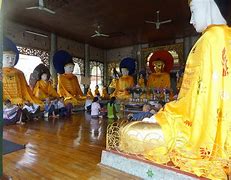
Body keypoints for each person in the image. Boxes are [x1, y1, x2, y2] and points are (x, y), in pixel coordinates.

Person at [117, 0, 231, 179]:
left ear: (209, 4)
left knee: (129, 132)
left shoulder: (211, 40)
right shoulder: (221, 37)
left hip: (197, 130)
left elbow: (201, 103)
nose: (191, 20)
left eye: (193, 11)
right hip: (200, 121)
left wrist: (165, 115)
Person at [2, 37, 43, 106]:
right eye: (7, 57)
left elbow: (26, 91)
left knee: (39, 105)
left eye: (13, 58)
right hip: (6, 104)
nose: (10, 60)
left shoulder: (19, 73)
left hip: (21, 102)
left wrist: (28, 101)